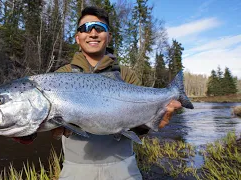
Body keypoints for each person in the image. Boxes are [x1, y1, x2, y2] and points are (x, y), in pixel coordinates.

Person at [52, 6, 182, 180]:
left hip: (123, 168)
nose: (92, 33)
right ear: (77, 37)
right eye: (85, 28)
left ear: (109, 37)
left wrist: (153, 121)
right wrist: (26, 133)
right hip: (75, 169)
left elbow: (137, 129)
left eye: (100, 28)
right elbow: (47, 123)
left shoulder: (126, 75)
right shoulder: (61, 75)